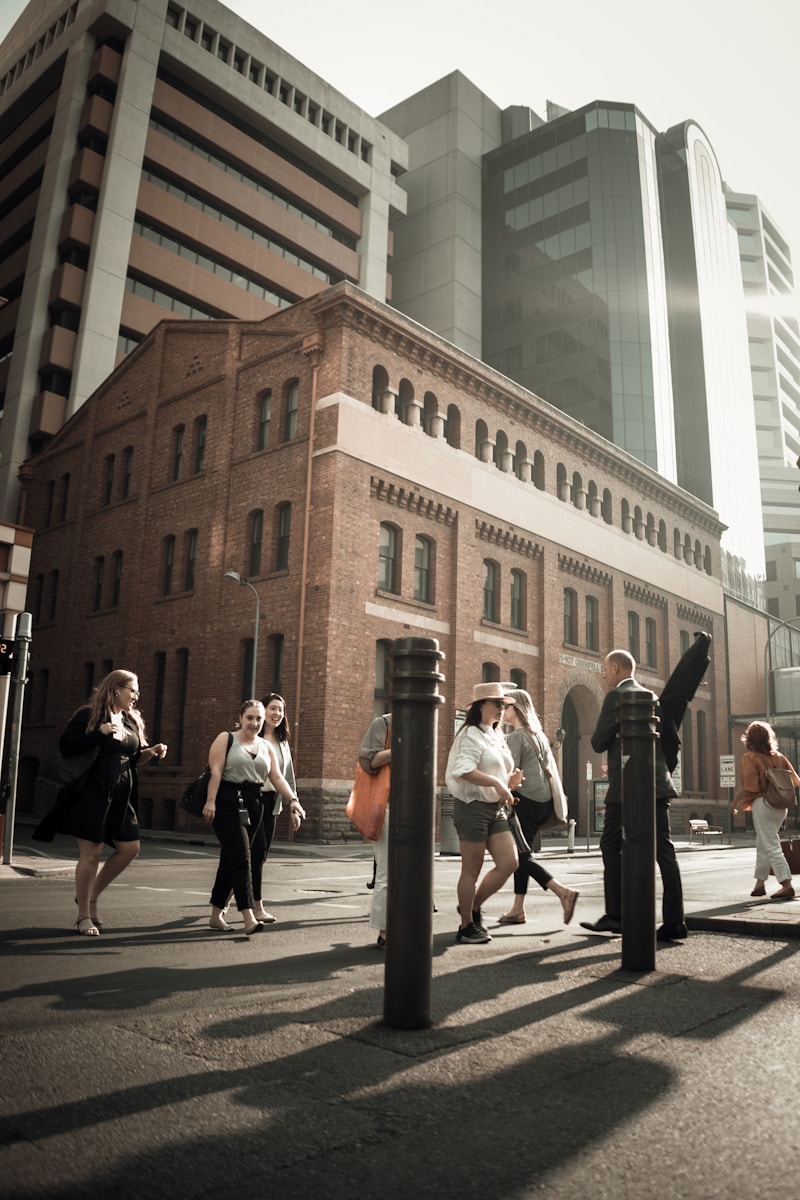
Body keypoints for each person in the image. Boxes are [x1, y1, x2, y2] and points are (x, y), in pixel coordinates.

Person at [34, 669, 167, 936]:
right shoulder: (90, 715)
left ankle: (91, 895)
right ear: (116, 689)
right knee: (92, 854)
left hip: (120, 795)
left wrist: (150, 753)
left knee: (130, 848)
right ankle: (84, 915)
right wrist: (100, 732)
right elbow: (66, 744)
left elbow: (131, 758)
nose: (136, 696)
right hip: (92, 793)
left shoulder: (130, 720)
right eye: (133, 690)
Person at [580, 650, 687, 942]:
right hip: (657, 783)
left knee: (610, 844)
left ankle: (616, 914)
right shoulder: (652, 697)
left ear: (615, 668)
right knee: (663, 849)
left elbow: (599, 740)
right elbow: (668, 742)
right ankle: (675, 920)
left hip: (626, 785)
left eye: (605, 670)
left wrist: (613, 729)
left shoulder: (617, 697)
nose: (604, 675)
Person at [202, 699, 295, 935]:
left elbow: (276, 777)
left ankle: (216, 915)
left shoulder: (266, 746)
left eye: (258, 719)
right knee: (243, 858)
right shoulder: (227, 738)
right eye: (250, 718)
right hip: (226, 802)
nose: (254, 723)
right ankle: (248, 916)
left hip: (254, 804)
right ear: (241, 718)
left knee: (230, 860)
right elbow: (215, 771)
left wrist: (293, 800)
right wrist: (211, 801)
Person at [445, 682, 522, 945]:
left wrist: (509, 782)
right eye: (497, 703)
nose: (502, 708)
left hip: (495, 808)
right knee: (471, 869)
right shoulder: (470, 734)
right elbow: (463, 769)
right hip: (472, 807)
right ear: (480, 706)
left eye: (504, 705)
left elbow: (494, 770)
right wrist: (498, 784)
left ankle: (472, 908)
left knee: (510, 862)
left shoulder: (495, 734)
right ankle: (466, 926)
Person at [500, 688, 579, 925]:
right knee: (523, 854)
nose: (503, 710)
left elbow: (511, 773)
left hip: (525, 802)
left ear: (516, 709)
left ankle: (562, 892)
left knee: (518, 856)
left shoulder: (516, 737)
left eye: (506, 706)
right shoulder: (540, 736)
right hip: (543, 802)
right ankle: (518, 909)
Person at [733, 721, 799, 900]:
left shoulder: (750, 758)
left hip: (763, 804)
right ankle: (760, 884)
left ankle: (786, 884)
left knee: (770, 844)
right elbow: (795, 780)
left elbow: (749, 787)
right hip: (780, 806)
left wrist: (734, 803)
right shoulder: (779, 757)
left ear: (750, 738)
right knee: (763, 843)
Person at [253, 692, 305, 921]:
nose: (277, 713)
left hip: (272, 803)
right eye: (272, 708)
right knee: (253, 855)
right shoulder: (252, 736)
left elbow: (288, 777)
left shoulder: (282, 742)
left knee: (260, 855)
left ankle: (224, 901)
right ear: (262, 710)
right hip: (251, 799)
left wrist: (294, 804)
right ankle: (256, 907)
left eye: (280, 710)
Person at [357, 711, 392, 948]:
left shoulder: (423, 721)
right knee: (387, 871)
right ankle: (385, 932)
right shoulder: (385, 723)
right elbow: (367, 760)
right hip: (387, 804)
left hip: (415, 806)